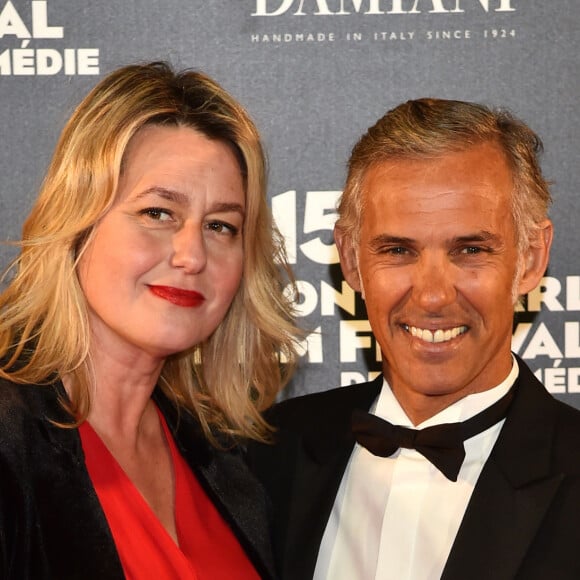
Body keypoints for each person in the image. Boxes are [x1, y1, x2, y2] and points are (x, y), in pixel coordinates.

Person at [249, 98, 580, 579]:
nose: (431, 296)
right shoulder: (265, 459)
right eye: (398, 250)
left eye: (470, 249)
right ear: (350, 259)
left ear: (530, 258)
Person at [0, 61, 301, 579]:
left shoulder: (226, 457)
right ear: (76, 224)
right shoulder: (9, 440)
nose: (192, 255)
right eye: (158, 213)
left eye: (221, 226)